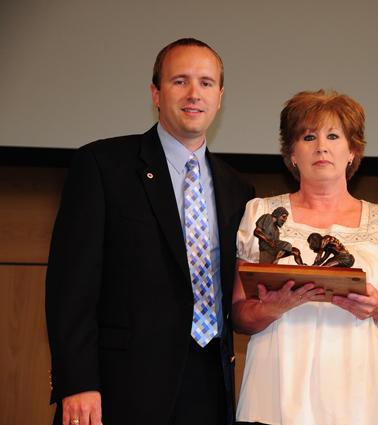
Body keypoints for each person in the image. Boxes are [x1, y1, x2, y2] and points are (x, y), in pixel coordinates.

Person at [45, 38, 254, 425]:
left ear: (220, 97)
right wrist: (77, 383)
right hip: (119, 389)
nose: (194, 94)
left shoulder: (238, 190)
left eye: (206, 83)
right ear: (156, 93)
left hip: (208, 387)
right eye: (180, 81)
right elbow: (70, 288)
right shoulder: (103, 166)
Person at [232, 89, 378, 425]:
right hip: (277, 396)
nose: (321, 146)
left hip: (364, 399)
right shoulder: (261, 213)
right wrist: (272, 307)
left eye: (333, 136)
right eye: (309, 136)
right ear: (292, 153)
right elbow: (239, 315)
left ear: (352, 151)